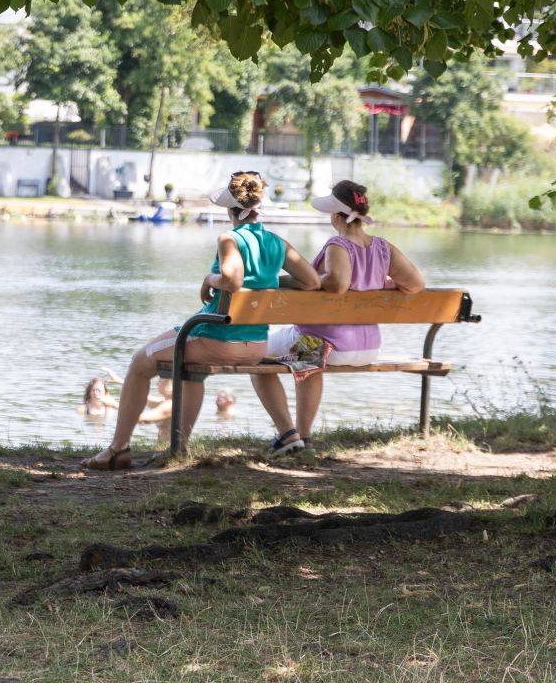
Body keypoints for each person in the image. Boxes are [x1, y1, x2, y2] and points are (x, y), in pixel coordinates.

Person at [83, 170, 320, 470]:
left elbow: (232, 280)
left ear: (230, 209)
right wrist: (269, 283)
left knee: (139, 364)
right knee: (186, 370)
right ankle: (179, 448)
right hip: (257, 345)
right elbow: (311, 281)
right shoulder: (277, 243)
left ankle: (118, 450)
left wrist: (210, 277)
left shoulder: (229, 239)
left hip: (215, 338)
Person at [251, 180, 427, 456]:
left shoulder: (338, 243)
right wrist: (381, 282)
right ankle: (304, 437)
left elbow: (337, 284)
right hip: (368, 348)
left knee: (255, 357)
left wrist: (291, 280)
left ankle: (288, 434)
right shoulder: (382, 247)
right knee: (307, 355)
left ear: (336, 215)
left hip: (332, 345)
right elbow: (416, 283)